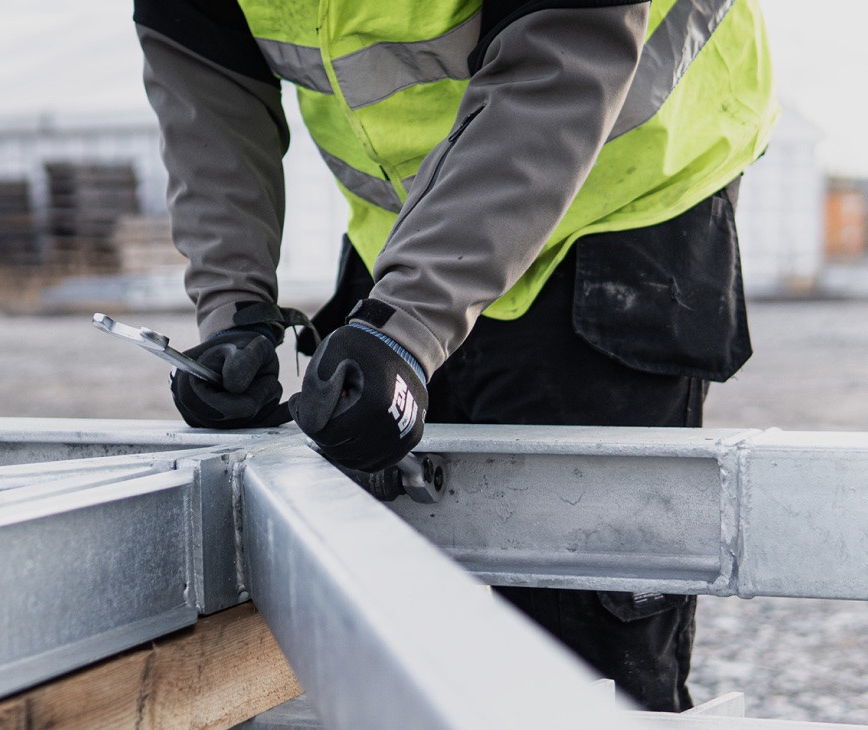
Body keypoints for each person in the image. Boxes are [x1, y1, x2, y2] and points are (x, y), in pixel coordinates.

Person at [135, 0, 776, 711]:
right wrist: (234, 309)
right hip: (410, 217)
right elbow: (206, 81)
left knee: (575, 652)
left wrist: (409, 324)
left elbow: (561, 57)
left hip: (618, 185)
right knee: (396, 618)